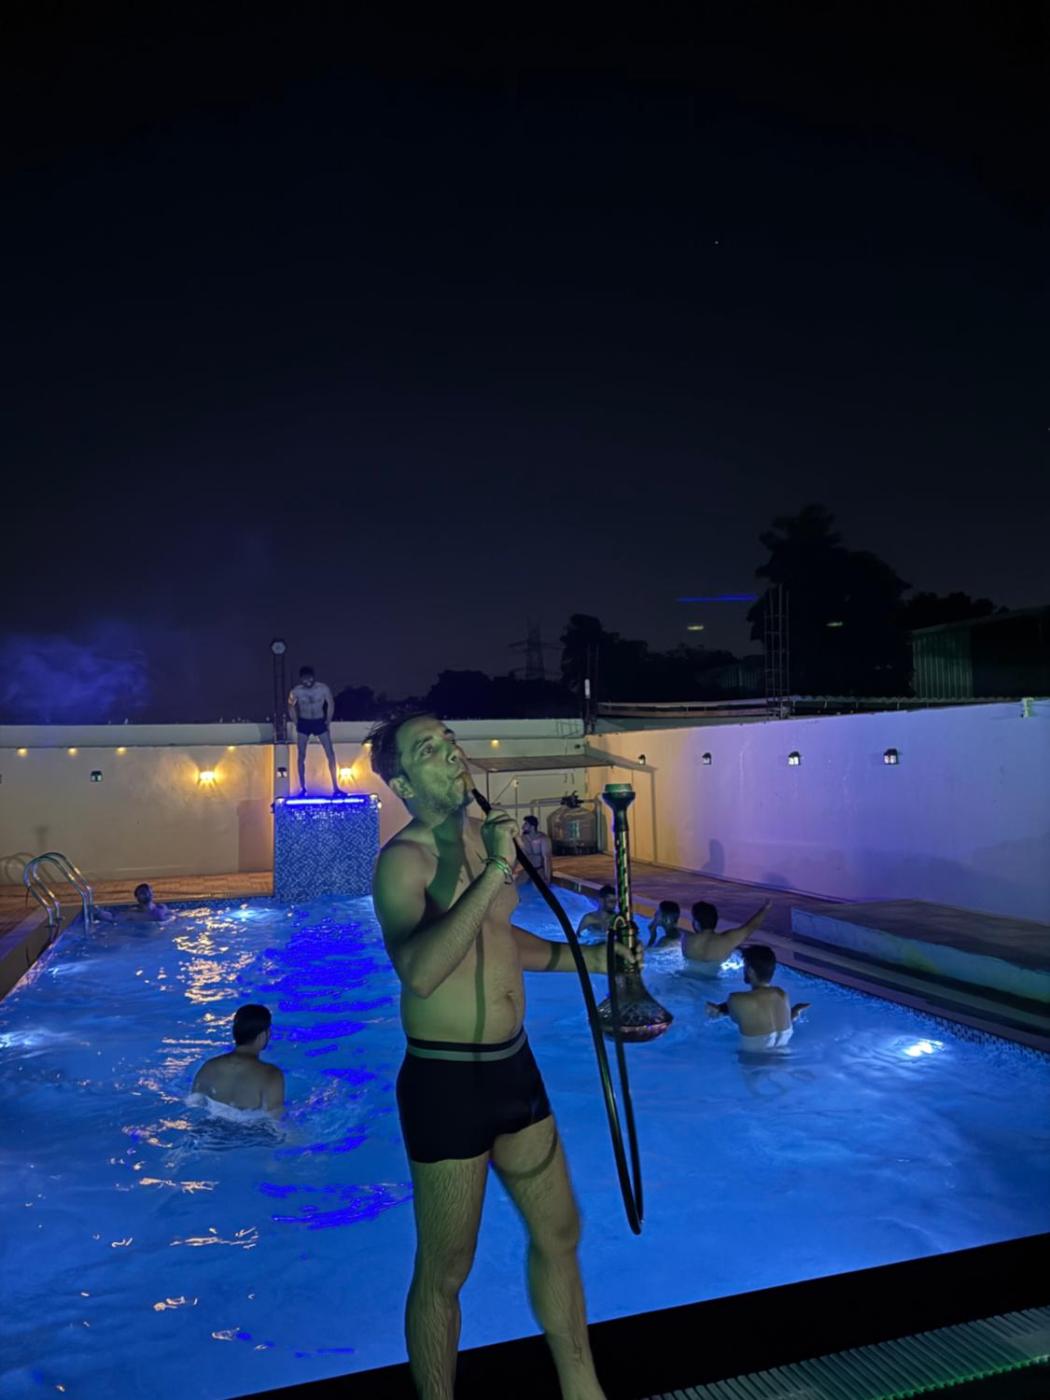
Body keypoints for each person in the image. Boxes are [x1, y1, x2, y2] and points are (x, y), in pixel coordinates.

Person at [368, 712, 639, 1400]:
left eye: (449, 741)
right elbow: (421, 970)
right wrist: (493, 868)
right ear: (403, 782)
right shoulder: (405, 861)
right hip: (447, 1081)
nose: (450, 754)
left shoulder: (480, 833)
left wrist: (589, 959)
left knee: (561, 1231)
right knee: (446, 1270)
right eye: (429, 750)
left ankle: (584, 1390)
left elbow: (496, 939)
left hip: (516, 1067)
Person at [705, 944, 810, 1051]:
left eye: (745, 967)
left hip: (753, 1061)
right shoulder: (782, 994)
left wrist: (717, 1009)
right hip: (784, 1057)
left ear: (750, 971)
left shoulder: (736, 999)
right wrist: (793, 1013)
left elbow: (720, 1014)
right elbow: (770, 1026)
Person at [191, 1004, 285, 1114]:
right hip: (250, 1124)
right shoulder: (271, 1075)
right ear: (263, 1035)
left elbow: (193, 1106)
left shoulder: (209, 1067)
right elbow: (274, 1118)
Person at [288, 665, 342, 797]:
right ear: (301, 679)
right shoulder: (296, 691)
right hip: (304, 722)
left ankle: (335, 787)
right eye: (304, 680)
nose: (307, 682)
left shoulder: (323, 688)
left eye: (309, 679)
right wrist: (296, 721)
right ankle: (303, 788)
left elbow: (331, 703)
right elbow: (290, 706)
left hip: (319, 721)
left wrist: (328, 720)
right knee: (301, 755)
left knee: (330, 753)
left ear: (313, 677)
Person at [682, 898, 771, 976]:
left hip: (686, 980)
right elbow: (749, 928)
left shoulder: (686, 939)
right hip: (711, 983)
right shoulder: (726, 941)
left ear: (696, 922)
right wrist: (765, 908)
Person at [517, 813, 553, 884]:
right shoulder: (523, 838)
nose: (522, 827)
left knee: (539, 885)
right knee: (516, 884)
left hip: (540, 869)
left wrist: (547, 877)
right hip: (527, 870)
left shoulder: (543, 839)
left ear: (532, 826)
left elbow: (547, 859)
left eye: (526, 824)